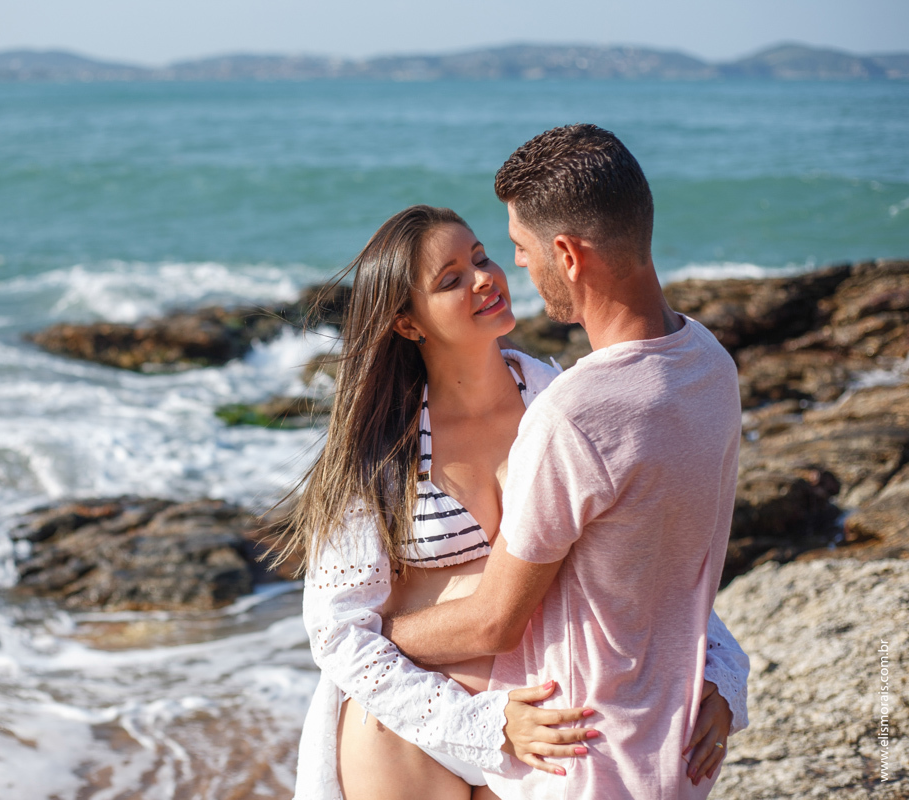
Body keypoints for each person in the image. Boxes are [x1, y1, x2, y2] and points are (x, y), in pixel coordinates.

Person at [289, 201, 748, 799]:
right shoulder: (379, 450)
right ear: (407, 323)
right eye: (451, 280)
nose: (483, 279)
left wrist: (719, 671)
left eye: (481, 258)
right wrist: (481, 724)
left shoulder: (561, 404)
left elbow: (643, 553)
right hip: (416, 725)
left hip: (552, 722)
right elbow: (337, 630)